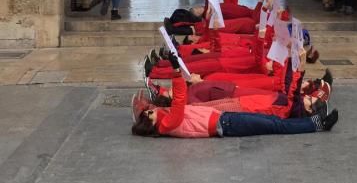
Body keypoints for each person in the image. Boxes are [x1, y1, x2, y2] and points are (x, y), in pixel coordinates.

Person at [132, 52, 338, 138]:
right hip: (226, 114)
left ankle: (316, 123)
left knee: (275, 125)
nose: (154, 112)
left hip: (225, 106)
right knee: (276, 126)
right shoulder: (167, 124)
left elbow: (289, 86)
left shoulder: (167, 120)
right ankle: (316, 124)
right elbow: (178, 103)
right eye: (151, 114)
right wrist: (297, 64)